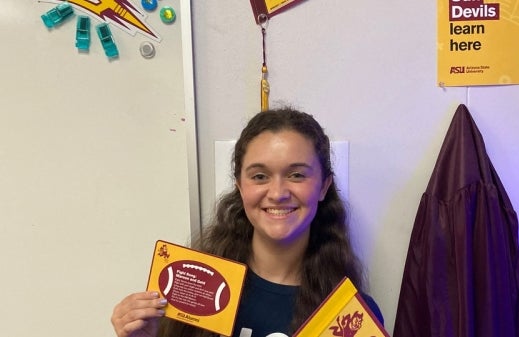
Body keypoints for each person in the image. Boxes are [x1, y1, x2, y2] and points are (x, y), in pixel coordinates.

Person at [111, 107, 384, 337]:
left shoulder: (352, 317)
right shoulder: (191, 290)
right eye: (259, 176)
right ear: (240, 186)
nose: (277, 193)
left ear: (324, 187)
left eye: (297, 175)